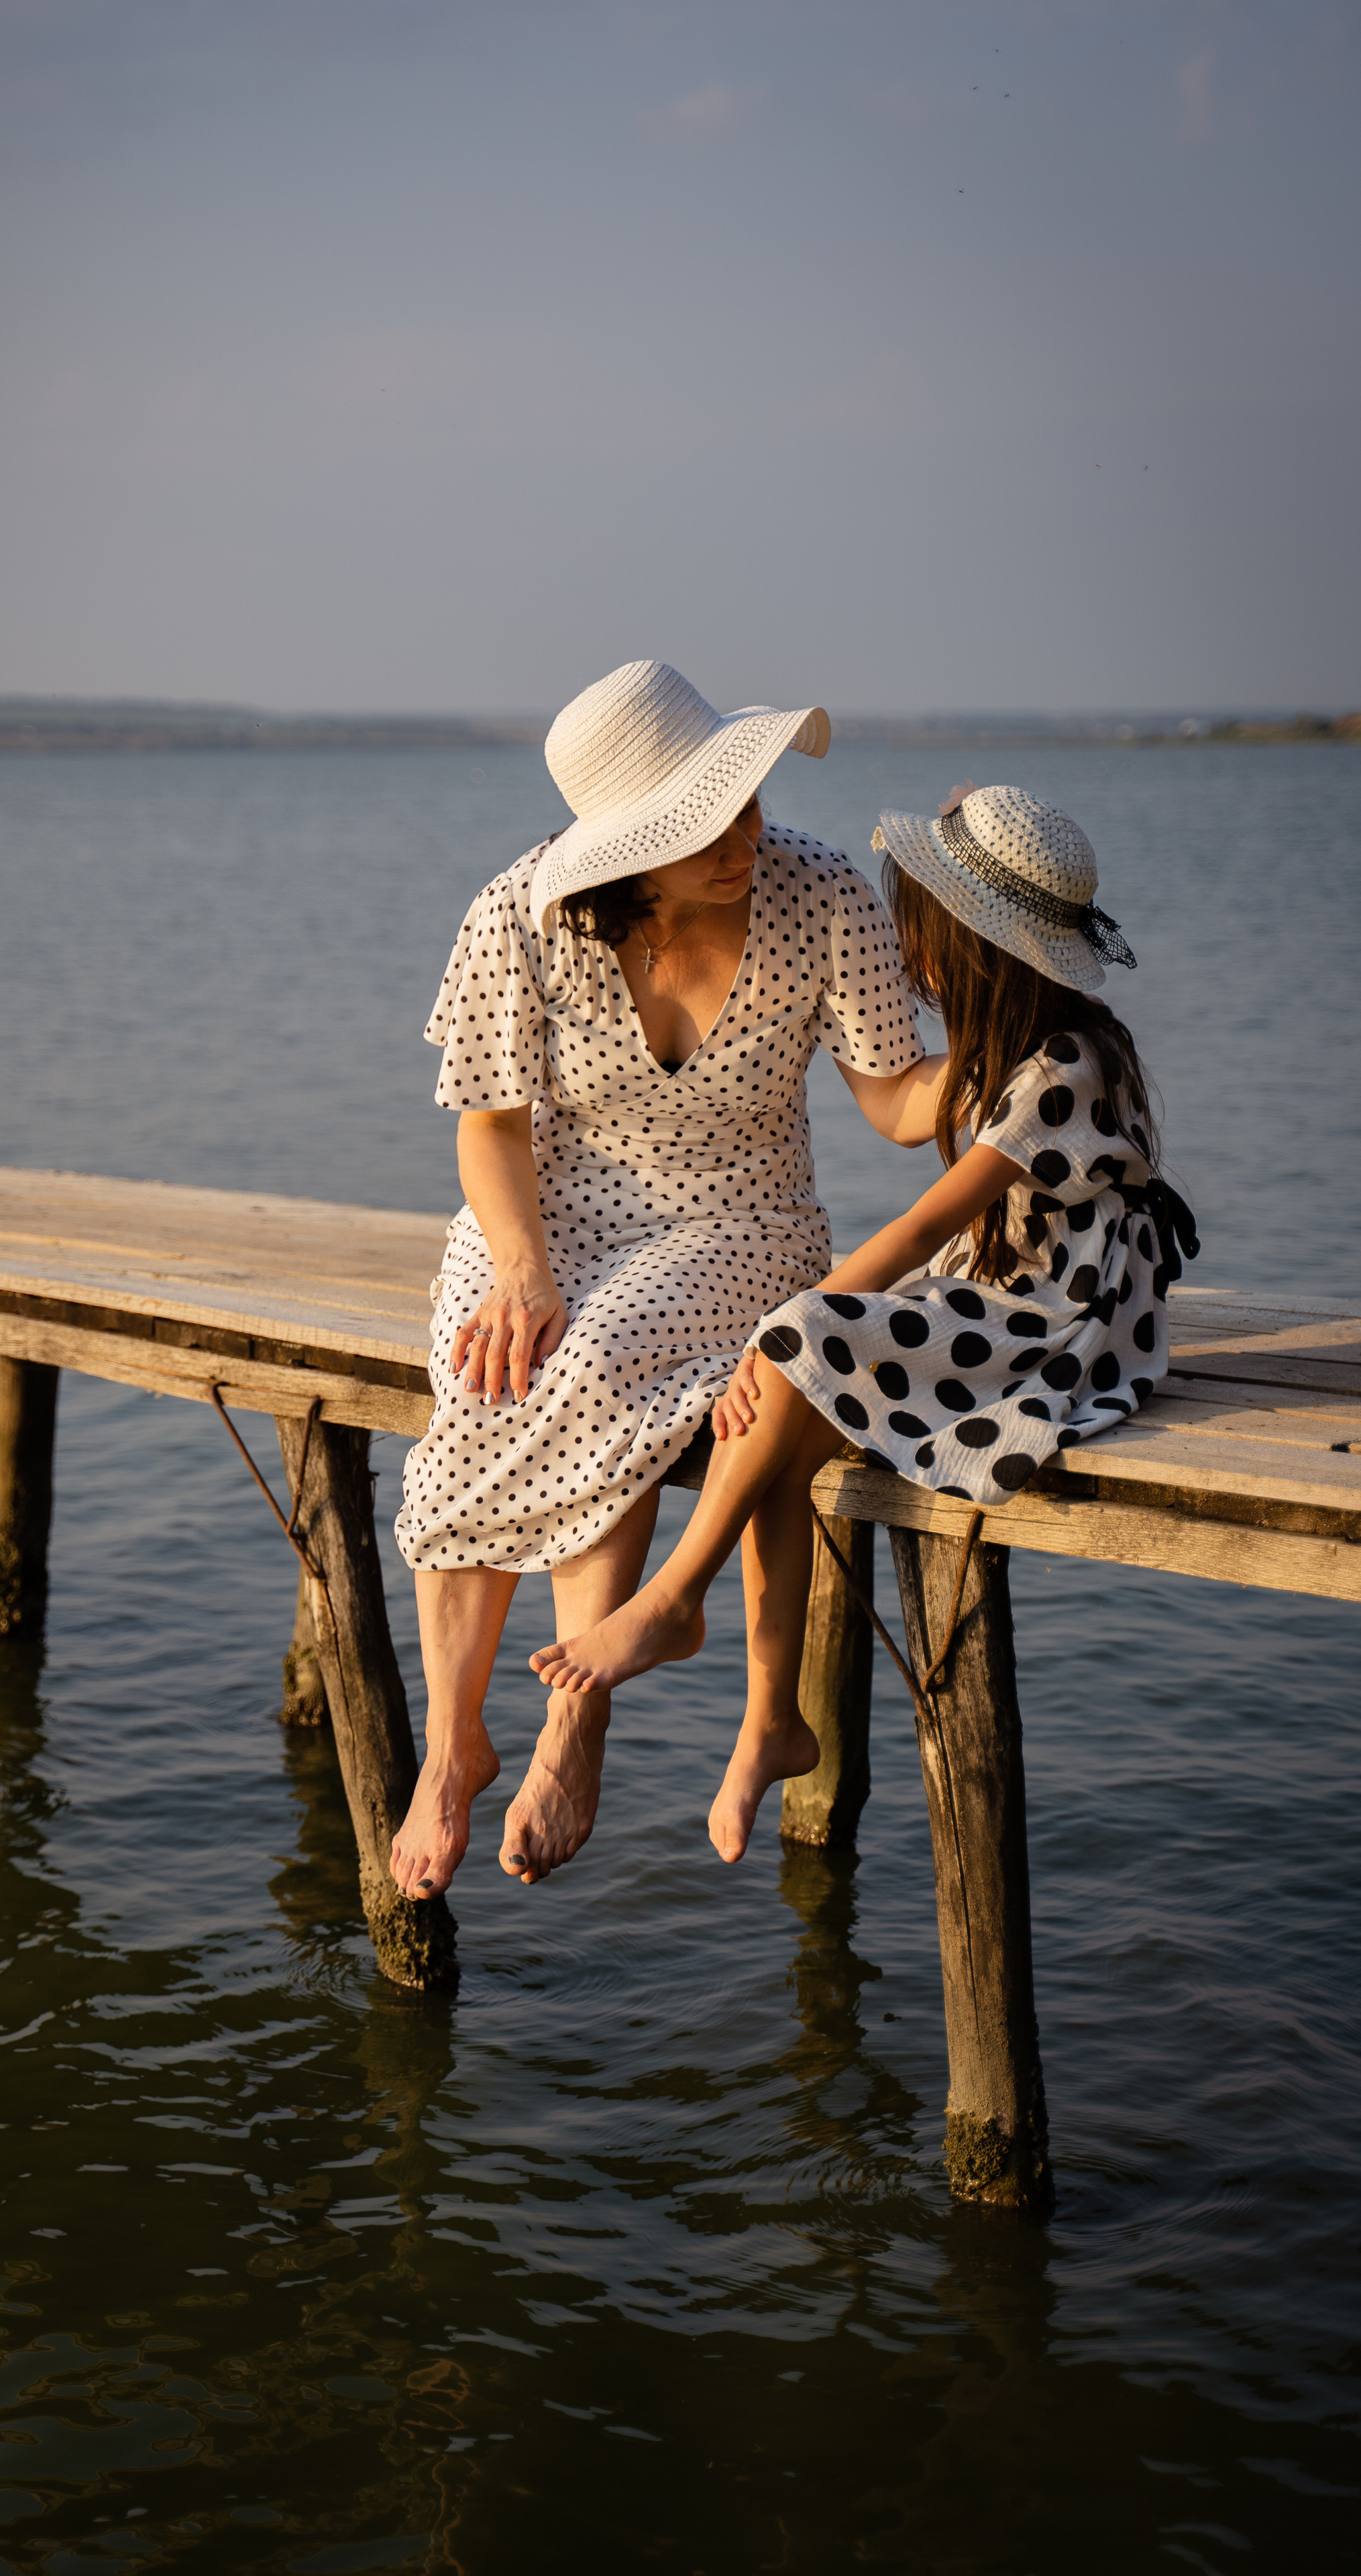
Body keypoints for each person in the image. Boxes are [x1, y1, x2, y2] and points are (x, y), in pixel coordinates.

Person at [530, 783, 1197, 1864]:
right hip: (1004, 1284)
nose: (905, 954)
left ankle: (676, 1596)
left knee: (797, 1342)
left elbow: (924, 1223)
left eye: (919, 931)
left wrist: (781, 1329)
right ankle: (771, 1719)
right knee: (785, 1424)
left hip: (1059, 1320)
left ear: (973, 947)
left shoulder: (1062, 1067)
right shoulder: (1017, 1044)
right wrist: (792, 1337)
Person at [389, 659, 942, 1901]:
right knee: (485, 1373)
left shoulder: (820, 893)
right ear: (627, 852)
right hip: (544, 1215)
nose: (744, 840)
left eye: (744, 803)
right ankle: (451, 1744)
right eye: (703, 828)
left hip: (739, 1225)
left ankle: (572, 1719)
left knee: (596, 1358)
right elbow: (489, 1126)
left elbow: (897, 1100)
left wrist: (1007, 1060)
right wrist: (522, 1270)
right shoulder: (518, 914)